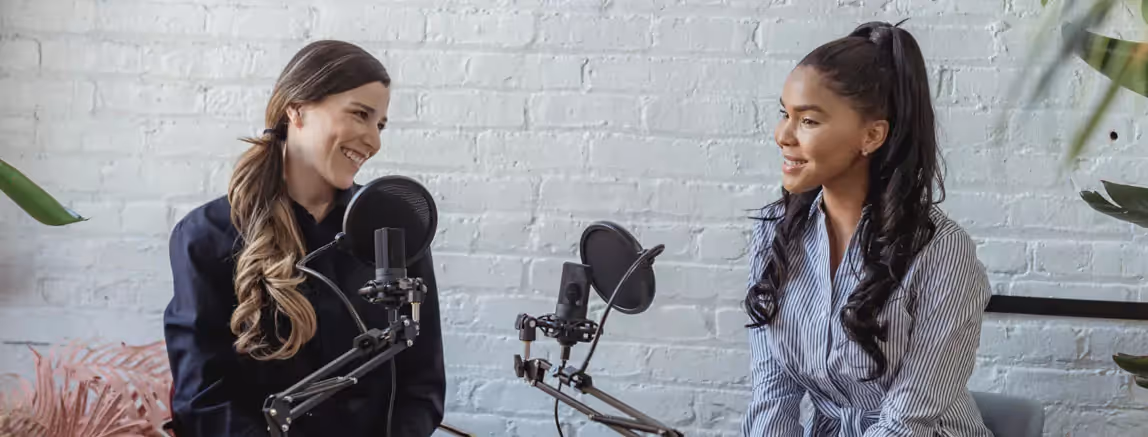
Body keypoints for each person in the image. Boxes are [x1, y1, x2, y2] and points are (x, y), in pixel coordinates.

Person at [163, 40, 445, 437]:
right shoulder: (205, 236)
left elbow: (422, 384)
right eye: (360, 114)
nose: (374, 140)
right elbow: (201, 398)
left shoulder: (394, 229)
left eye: (380, 124)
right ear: (296, 108)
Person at [741, 21, 993, 437]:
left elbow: (907, 419)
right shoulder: (776, 233)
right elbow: (773, 393)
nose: (783, 135)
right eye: (785, 114)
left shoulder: (942, 253)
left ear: (872, 135)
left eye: (808, 121)